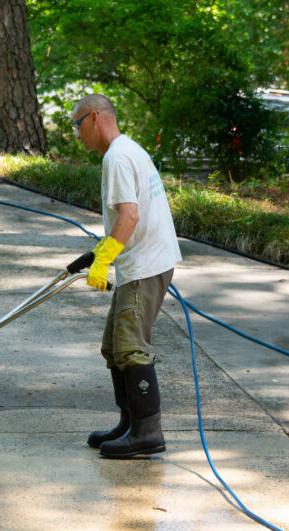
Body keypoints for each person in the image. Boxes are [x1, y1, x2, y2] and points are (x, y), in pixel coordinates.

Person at [72, 94, 182, 459]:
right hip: (143, 260)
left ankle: (147, 433)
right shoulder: (126, 150)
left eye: (76, 126)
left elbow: (130, 216)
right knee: (113, 347)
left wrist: (104, 259)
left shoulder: (118, 156)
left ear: (94, 118)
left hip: (145, 265)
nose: (77, 135)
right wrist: (102, 254)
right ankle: (130, 424)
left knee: (131, 348)